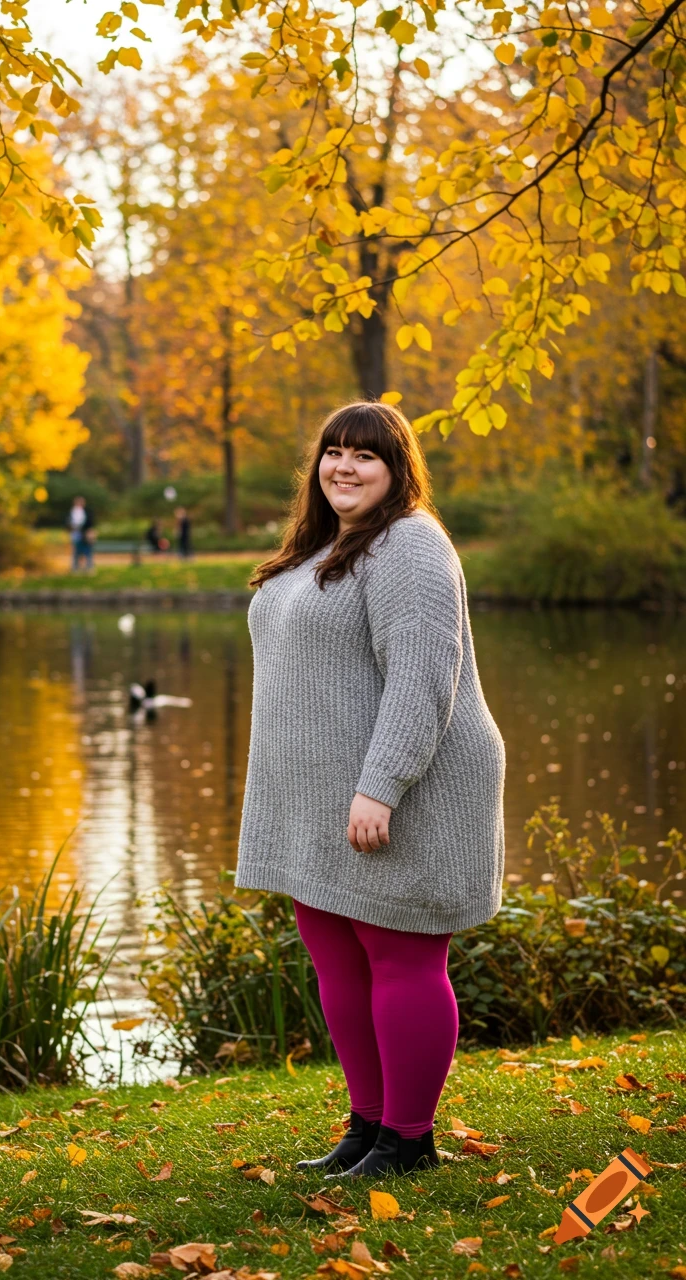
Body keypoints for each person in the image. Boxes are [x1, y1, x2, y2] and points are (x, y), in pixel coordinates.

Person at [234, 401, 506, 1180]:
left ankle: (409, 1140)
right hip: (319, 798)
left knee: (400, 956)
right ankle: (367, 1126)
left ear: (397, 471)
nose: (344, 466)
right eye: (333, 451)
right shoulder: (327, 544)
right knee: (337, 962)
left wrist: (380, 787)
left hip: (403, 787)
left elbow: (425, 677)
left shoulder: (410, 544)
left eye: (366, 456)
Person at [68, 496, 95, 572]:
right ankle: (75, 568)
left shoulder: (87, 511)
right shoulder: (72, 512)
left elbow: (90, 523)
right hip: (75, 534)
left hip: (85, 534)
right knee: (76, 551)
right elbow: (68, 523)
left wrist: (90, 532)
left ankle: (89, 568)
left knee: (87, 551)